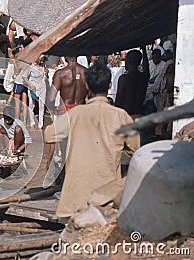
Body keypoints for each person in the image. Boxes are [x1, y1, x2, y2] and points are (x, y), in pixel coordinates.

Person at [44, 63, 140, 218]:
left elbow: (49, 135)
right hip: (106, 199)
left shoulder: (75, 114)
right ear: (110, 85)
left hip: (75, 199)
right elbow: (135, 150)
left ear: (87, 85)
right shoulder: (121, 116)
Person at [115, 47, 149, 116]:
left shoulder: (124, 78)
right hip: (138, 114)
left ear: (128, 61)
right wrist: (144, 49)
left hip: (125, 116)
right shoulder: (143, 77)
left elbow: (118, 101)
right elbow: (147, 70)